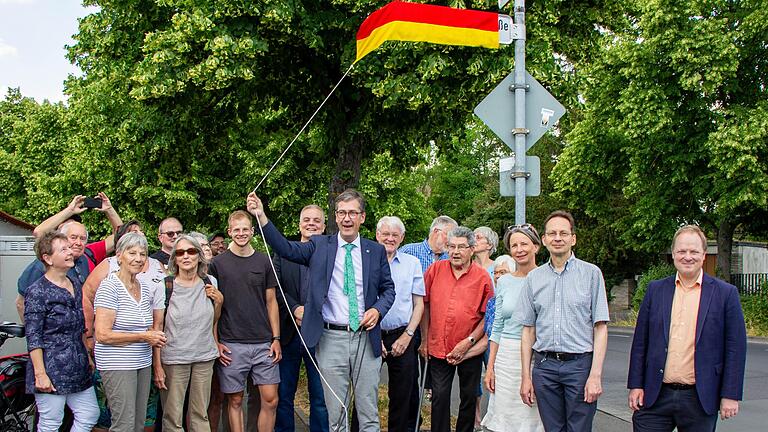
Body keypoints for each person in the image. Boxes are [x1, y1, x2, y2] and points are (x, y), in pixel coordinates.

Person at [247, 189, 396, 432]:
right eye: (342, 213)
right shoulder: (319, 246)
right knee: (335, 412)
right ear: (336, 217)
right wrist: (261, 216)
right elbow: (285, 248)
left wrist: (378, 310)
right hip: (330, 339)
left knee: (368, 412)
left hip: (365, 339)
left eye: (352, 213)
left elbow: (388, 289)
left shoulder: (375, 250)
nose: (347, 218)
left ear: (363, 217)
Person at [628, 225, 747, 431]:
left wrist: (730, 394)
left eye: (694, 251)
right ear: (673, 254)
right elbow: (641, 342)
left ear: (703, 255)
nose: (687, 257)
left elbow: (735, 348)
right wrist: (636, 385)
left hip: (700, 398)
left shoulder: (726, 294)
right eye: (682, 251)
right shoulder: (655, 290)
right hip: (655, 395)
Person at [516, 211, 610, 432]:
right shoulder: (534, 279)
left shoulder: (591, 274)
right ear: (545, 240)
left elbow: (601, 328)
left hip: (579, 367)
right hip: (545, 368)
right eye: (552, 233)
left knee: (579, 428)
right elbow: (528, 331)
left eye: (563, 233)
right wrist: (525, 377)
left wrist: (595, 375)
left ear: (573, 238)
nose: (558, 238)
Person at [82, 220, 167, 432]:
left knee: (139, 422)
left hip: (142, 362)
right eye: (132, 253)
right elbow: (102, 335)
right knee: (124, 424)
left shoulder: (144, 287)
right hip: (118, 365)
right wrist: (143, 337)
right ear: (119, 256)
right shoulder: (110, 286)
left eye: (142, 254)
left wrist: (150, 339)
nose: (138, 259)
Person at [208, 210, 282, 432]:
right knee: (235, 400)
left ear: (252, 231)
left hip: (263, 342)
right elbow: (211, 307)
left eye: (245, 229)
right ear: (230, 232)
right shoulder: (217, 264)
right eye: (236, 230)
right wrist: (216, 341)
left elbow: (271, 302)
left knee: (271, 399)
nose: (241, 233)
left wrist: (276, 338)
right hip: (232, 343)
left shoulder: (263, 261)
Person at [419, 226, 493, 432]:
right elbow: (423, 305)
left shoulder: (482, 277)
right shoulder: (435, 270)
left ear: (471, 249)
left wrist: (468, 342)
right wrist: (424, 339)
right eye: (451, 246)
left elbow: (487, 316)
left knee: (468, 397)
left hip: (469, 350)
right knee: (439, 396)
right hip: (439, 347)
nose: (455, 252)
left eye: (461, 247)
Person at [24, 231, 100, 431]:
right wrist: (40, 374)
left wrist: (86, 355)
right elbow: (33, 336)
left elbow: (80, 324)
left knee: (89, 413)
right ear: (47, 258)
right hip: (51, 366)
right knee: (51, 422)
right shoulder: (37, 291)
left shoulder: (74, 283)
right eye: (63, 249)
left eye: (69, 248)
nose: (70, 252)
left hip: (77, 364)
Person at [15, 193, 123, 321]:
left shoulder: (88, 253)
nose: (78, 242)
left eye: (82, 238)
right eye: (73, 237)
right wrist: (70, 210)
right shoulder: (43, 264)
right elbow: (21, 302)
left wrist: (109, 210)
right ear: (61, 238)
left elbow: (121, 238)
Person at [156, 234, 223, 432]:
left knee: (200, 414)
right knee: (172, 416)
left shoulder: (210, 282)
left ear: (199, 256)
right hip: (174, 359)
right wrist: (157, 365)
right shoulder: (165, 285)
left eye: (191, 251)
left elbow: (213, 320)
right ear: (174, 258)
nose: (186, 256)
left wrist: (219, 301)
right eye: (180, 252)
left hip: (204, 357)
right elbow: (157, 327)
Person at [481, 226, 544, 432]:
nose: (519, 249)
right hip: (506, 358)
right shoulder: (505, 281)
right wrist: (490, 368)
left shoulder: (545, 277)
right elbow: (497, 326)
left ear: (536, 246)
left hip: (535, 355)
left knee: (532, 416)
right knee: (505, 416)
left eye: (524, 244)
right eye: (514, 245)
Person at [275, 204, 329, 432]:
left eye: (317, 220)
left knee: (320, 396)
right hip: (289, 333)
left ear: (324, 226)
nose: (311, 224)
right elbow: (276, 288)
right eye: (306, 219)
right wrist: (295, 308)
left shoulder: (332, 255)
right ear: (299, 224)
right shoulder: (284, 252)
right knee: (284, 395)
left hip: (321, 335)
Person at [399, 215, 457, 425]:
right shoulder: (408, 251)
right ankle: (412, 419)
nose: (452, 243)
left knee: (436, 383)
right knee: (409, 377)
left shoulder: (451, 257)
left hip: (439, 328)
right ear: (435, 232)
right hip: (409, 325)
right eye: (449, 236)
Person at [375, 216, 425, 432]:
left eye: (395, 235)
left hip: (403, 334)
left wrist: (408, 335)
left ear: (402, 238)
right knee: (364, 393)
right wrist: (374, 337)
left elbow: (419, 304)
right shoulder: (365, 262)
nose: (390, 238)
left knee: (403, 396)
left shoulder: (412, 263)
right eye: (386, 234)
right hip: (371, 335)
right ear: (377, 235)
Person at [472, 226, 499, 429]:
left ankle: (496, 417)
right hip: (473, 328)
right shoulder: (468, 266)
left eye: (478, 237)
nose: (474, 239)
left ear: (489, 244)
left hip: (494, 331)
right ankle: (476, 419)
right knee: (472, 380)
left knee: (495, 375)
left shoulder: (499, 266)